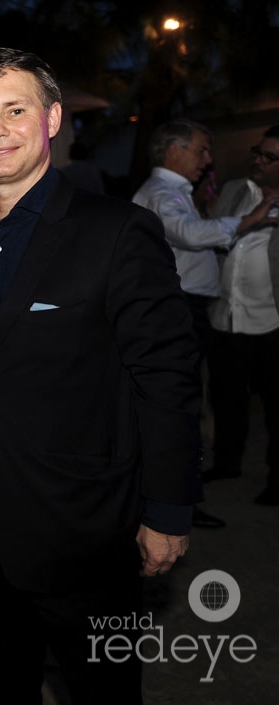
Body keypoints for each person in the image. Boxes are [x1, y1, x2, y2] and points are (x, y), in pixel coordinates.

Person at [0, 47, 203, 704]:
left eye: (15, 110)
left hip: (85, 530)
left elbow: (166, 375)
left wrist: (167, 507)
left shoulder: (118, 231)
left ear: (52, 119)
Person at [133, 119, 278, 525]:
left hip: (212, 311)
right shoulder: (163, 193)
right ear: (174, 152)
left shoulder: (175, 191)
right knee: (180, 405)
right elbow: (190, 234)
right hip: (182, 309)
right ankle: (176, 502)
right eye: (201, 151)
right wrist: (250, 220)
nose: (209, 161)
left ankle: (179, 495)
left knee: (190, 401)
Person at [207, 125, 279, 505]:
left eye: (270, 158)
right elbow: (215, 235)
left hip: (272, 323)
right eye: (258, 152)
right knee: (226, 398)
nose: (259, 161)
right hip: (226, 316)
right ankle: (226, 462)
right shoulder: (236, 189)